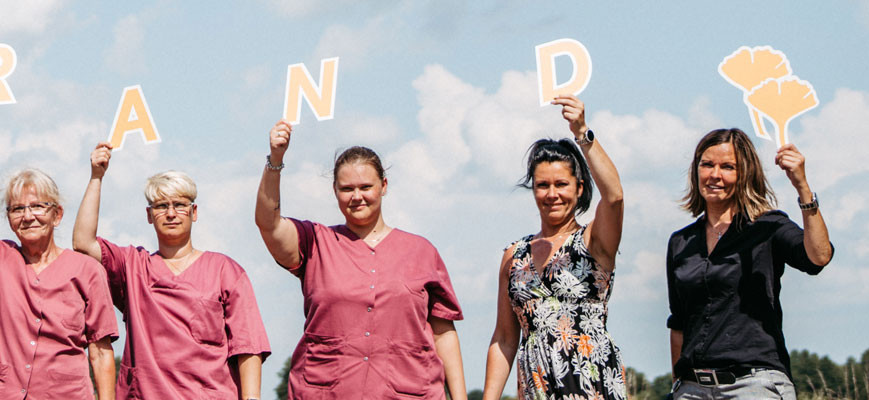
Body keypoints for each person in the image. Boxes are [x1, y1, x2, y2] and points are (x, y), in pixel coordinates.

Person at [254, 121, 468, 399]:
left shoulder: (422, 251)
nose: (357, 197)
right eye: (346, 189)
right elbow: (268, 224)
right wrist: (275, 160)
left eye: (366, 186)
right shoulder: (315, 242)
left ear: (384, 186)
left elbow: (443, 332)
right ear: (334, 191)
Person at [0, 102, 119, 399]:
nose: (28, 215)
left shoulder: (87, 271)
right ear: (9, 218)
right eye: (17, 208)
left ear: (57, 215)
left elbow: (100, 351)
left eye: (38, 206)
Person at [73, 144, 271, 400]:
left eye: (179, 205)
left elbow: (248, 345)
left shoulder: (226, 271)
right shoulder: (133, 266)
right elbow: (83, 243)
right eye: (160, 206)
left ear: (194, 212)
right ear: (149, 215)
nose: (170, 214)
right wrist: (96, 177)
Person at [665, 129, 832, 400]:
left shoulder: (767, 226)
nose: (715, 175)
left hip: (754, 384)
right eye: (707, 164)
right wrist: (677, 385)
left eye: (728, 167)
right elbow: (679, 323)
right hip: (692, 388)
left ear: (745, 174)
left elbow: (818, 257)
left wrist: (802, 187)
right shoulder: (681, 242)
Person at [482, 95, 627, 400]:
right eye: (542, 185)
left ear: (580, 188)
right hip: (536, 388)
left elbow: (613, 197)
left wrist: (582, 132)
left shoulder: (594, 241)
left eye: (561, 184)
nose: (551, 194)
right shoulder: (514, 255)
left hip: (592, 384)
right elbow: (505, 338)